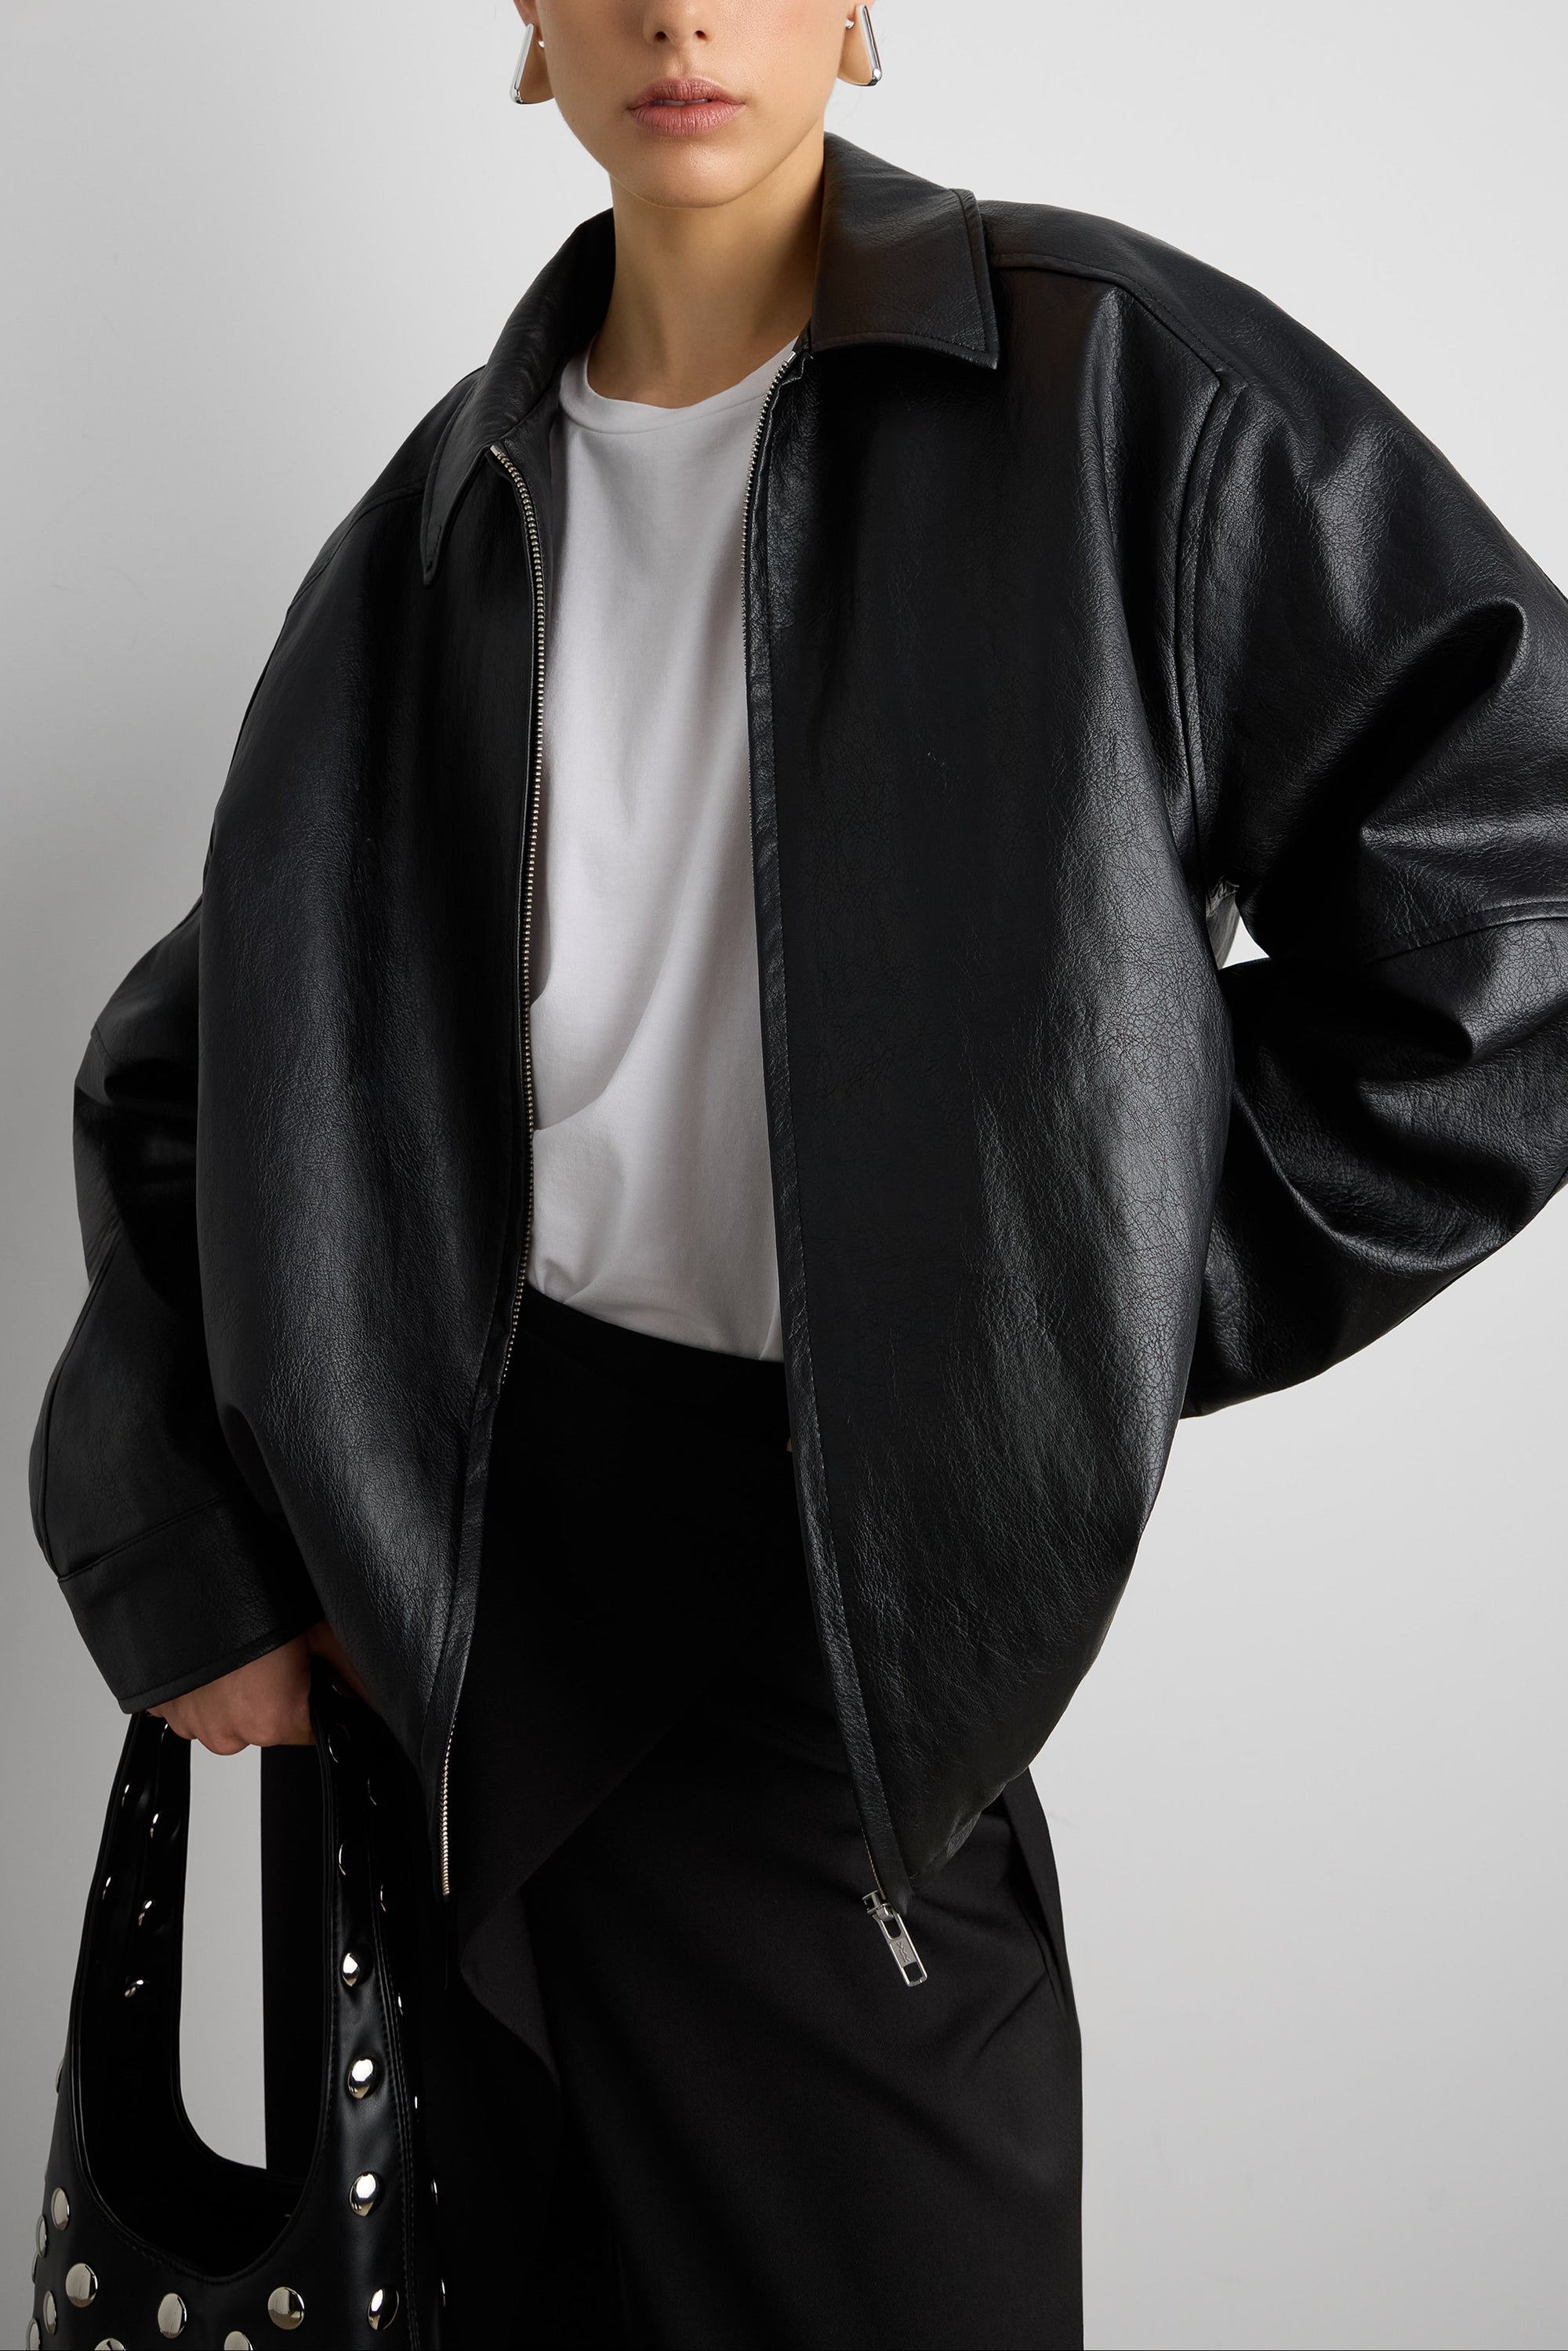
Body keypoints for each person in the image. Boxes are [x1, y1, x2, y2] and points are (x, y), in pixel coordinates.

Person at [28, 1, 1568, 2343]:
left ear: (855, 14)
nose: (679, 12)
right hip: (461, 1621)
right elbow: (200, 1067)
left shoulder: (1106, 391)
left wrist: (1063, 1278)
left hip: (827, 1620)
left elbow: (1519, 891)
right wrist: (186, 1551)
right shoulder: (439, 527)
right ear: (529, 25)